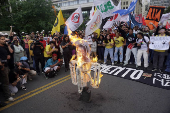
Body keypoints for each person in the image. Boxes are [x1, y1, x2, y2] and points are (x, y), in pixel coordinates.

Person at [0, 35, 14, 101]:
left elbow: (10, 52)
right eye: (2, 39)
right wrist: (1, 66)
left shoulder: (5, 46)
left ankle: (8, 92)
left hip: (7, 65)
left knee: (7, 81)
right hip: (2, 67)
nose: (3, 40)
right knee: (5, 81)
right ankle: (7, 96)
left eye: (4, 39)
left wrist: (8, 45)